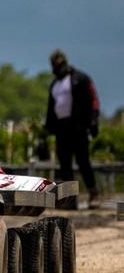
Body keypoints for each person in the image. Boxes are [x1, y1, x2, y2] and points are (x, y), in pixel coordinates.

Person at [45, 50, 101, 209]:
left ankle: (93, 192)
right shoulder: (54, 85)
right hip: (62, 128)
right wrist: (48, 128)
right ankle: (71, 199)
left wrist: (93, 121)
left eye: (58, 65)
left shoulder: (80, 79)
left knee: (83, 161)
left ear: (64, 63)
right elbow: (51, 108)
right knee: (65, 164)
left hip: (78, 126)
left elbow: (93, 100)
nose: (56, 69)